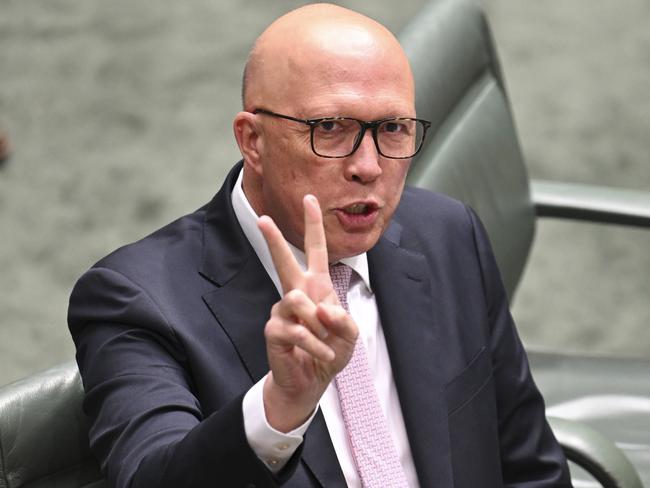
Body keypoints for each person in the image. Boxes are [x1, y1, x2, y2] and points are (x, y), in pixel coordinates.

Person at [68, 4, 571, 488]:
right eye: (331, 129)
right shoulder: (135, 299)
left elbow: (530, 467)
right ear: (252, 141)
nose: (369, 166)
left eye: (393, 128)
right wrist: (278, 408)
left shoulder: (446, 235)